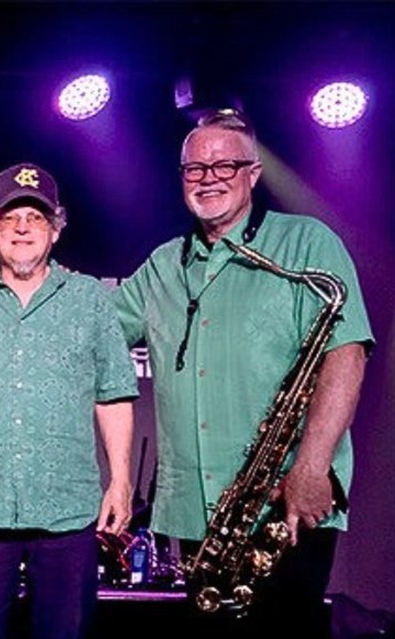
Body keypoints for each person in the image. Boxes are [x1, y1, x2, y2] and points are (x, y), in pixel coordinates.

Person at [113, 110, 373, 637]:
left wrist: (312, 467)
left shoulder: (306, 243)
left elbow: (347, 354)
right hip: (196, 510)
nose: (208, 178)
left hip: (285, 500)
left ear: (254, 173)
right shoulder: (164, 264)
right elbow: (88, 329)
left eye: (225, 165)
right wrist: (5, 279)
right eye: (195, 168)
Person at [0, 162, 137, 639]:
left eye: (36, 217)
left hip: (67, 511)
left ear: (55, 230)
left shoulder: (89, 300)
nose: (22, 227)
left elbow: (114, 393)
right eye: (10, 217)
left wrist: (121, 481)